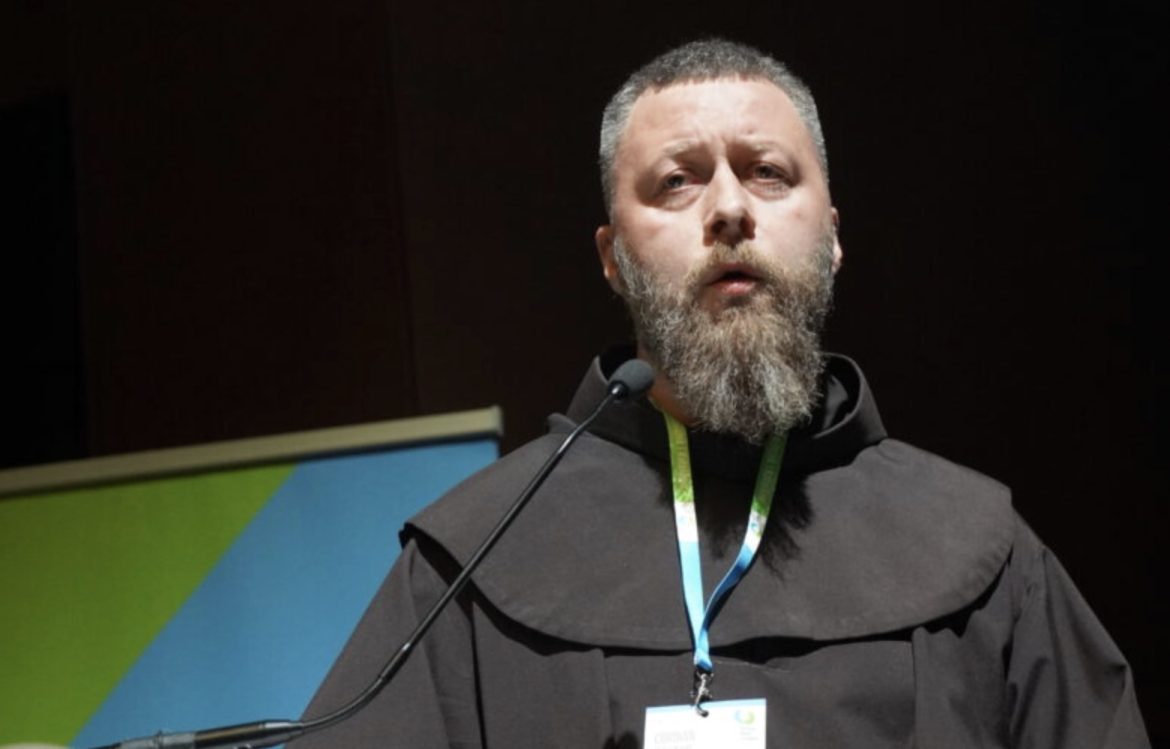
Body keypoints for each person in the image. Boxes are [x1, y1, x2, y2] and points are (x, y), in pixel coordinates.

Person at [298, 39, 1149, 747]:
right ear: (612, 258)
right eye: (677, 181)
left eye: (768, 172)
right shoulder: (475, 562)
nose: (730, 209)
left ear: (833, 236)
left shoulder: (985, 555)